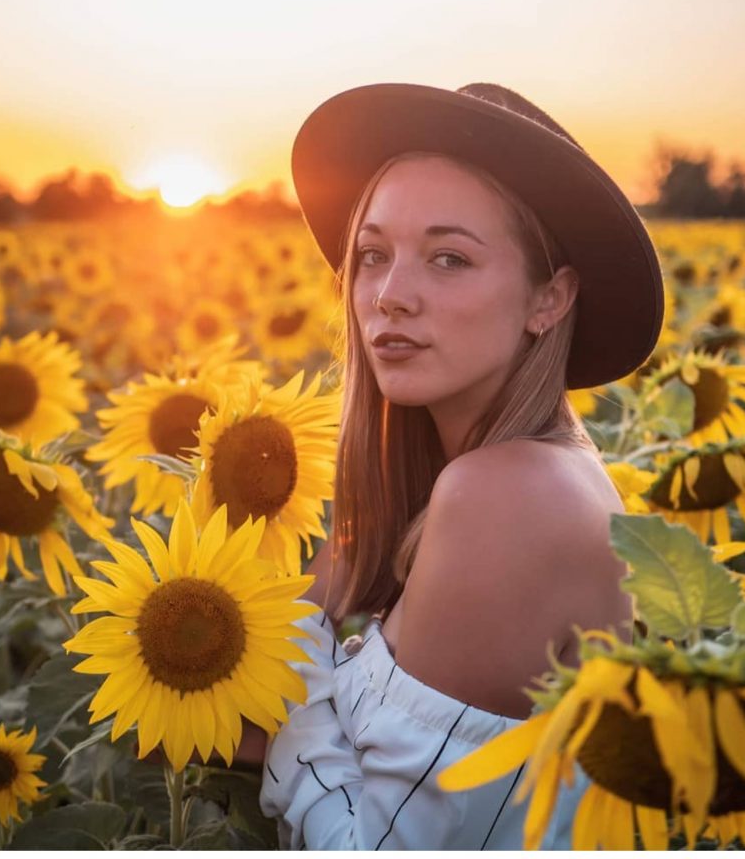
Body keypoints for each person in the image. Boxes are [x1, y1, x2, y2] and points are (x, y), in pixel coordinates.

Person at [244, 81, 664, 848]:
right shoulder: (516, 476)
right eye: (372, 255)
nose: (390, 296)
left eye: (448, 258)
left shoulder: (506, 495)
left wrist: (295, 664)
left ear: (549, 299)